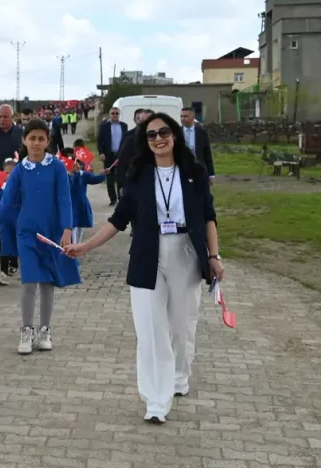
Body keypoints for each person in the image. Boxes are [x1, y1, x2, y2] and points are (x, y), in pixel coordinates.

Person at [66, 112, 223, 424]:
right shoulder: (137, 175)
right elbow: (118, 220)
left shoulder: (194, 172)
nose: (158, 138)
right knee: (151, 330)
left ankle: (179, 376)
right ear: (145, 141)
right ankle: (155, 399)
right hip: (147, 255)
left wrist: (214, 256)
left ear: (175, 134)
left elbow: (208, 216)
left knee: (181, 325)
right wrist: (86, 246)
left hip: (186, 252)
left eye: (164, 131)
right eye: (151, 134)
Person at [0, 119, 80, 355]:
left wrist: (67, 230)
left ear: (48, 141)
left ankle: (45, 330)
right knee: (29, 280)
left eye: (41, 139)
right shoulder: (20, 170)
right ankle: (26, 330)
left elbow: (65, 200)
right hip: (27, 233)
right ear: (24, 140)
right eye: (32, 138)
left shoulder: (57, 168)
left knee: (48, 282)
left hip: (51, 233)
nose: (36, 143)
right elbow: (5, 205)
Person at [0, 158, 19, 285]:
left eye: (12, 173)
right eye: (6, 172)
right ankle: (3, 271)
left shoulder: (20, 187)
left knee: (15, 242)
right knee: (5, 243)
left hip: (17, 218)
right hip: (4, 219)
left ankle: (14, 265)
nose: (9, 175)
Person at [68, 159, 106, 244]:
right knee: (73, 224)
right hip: (71, 202)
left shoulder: (84, 175)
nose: (76, 166)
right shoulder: (69, 175)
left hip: (81, 202)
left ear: (81, 166)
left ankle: (78, 243)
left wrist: (103, 174)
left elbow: (95, 179)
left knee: (81, 224)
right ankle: (73, 243)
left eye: (78, 165)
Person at [97, 107, 128, 205]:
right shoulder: (104, 126)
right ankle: (113, 199)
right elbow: (99, 140)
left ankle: (121, 198)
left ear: (119, 114)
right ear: (110, 114)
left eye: (116, 113)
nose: (114, 115)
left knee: (121, 178)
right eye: (113, 113)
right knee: (109, 178)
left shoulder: (124, 126)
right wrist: (101, 152)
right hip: (108, 155)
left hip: (121, 155)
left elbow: (125, 141)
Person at [180, 107, 216, 184]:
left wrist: (211, 175)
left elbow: (207, 154)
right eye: (181, 116)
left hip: (199, 170)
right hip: (183, 171)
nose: (182, 119)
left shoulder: (202, 133)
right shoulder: (176, 133)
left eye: (185, 116)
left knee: (201, 193)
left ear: (193, 117)